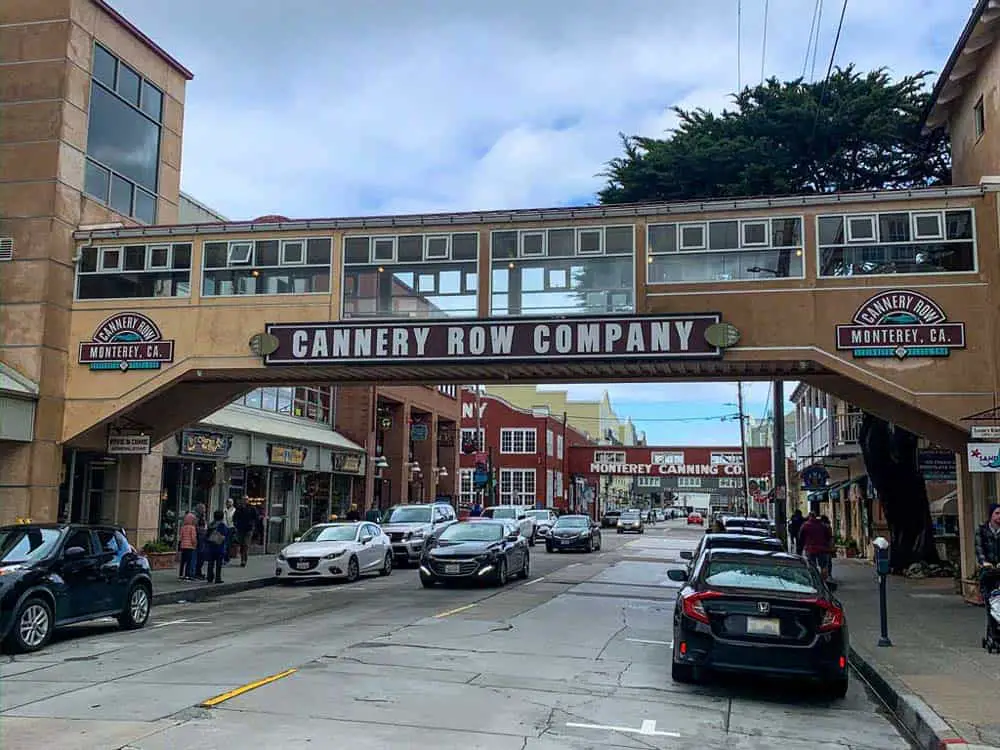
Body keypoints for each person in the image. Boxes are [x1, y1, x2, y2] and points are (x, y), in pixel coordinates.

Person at [975, 503, 1000, 602]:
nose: (999, 516)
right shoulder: (982, 530)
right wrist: (984, 561)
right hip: (988, 569)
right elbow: (979, 547)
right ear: (991, 515)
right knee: (990, 601)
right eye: (997, 513)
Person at [798, 511, 832, 580]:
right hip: (822, 549)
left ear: (809, 517)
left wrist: (801, 548)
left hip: (810, 549)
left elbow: (801, 537)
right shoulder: (822, 525)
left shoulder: (805, 525)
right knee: (823, 566)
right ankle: (824, 581)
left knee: (811, 566)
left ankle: (814, 580)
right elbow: (828, 536)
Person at [204, 510, 228, 584]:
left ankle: (209, 577)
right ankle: (218, 578)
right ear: (222, 517)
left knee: (210, 563)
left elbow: (206, 536)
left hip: (211, 547)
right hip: (219, 547)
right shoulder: (222, 525)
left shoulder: (211, 524)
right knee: (218, 564)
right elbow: (225, 536)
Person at [233, 497, 258, 567]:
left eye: (246, 500)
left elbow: (256, 517)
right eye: (243, 499)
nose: (244, 501)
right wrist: (236, 524)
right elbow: (235, 517)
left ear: (248, 500)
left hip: (249, 529)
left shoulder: (252, 508)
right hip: (240, 529)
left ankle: (244, 561)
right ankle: (242, 558)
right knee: (241, 544)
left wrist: (253, 525)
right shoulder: (239, 508)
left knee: (246, 544)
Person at [178, 512, 198, 581]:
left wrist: (180, 544)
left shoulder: (183, 527)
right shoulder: (192, 528)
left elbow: (180, 537)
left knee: (183, 561)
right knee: (189, 561)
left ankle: (180, 574)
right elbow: (193, 538)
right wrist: (195, 544)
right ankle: (187, 575)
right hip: (190, 546)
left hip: (183, 546)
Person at [193, 503, 208, 579]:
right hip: (199, 539)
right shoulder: (196, 517)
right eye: (203, 509)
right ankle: (196, 572)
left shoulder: (203, 517)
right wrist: (202, 530)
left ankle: (199, 572)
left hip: (202, 538)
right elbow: (196, 527)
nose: (204, 510)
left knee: (201, 557)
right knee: (199, 556)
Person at [223, 498, 236, 564]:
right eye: (228, 502)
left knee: (228, 544)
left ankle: (227, 558)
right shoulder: (224, 510)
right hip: (225, 527)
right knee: (224, 543)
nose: (229, 503)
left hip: (231, 528)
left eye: (230, 502)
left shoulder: (234, 510)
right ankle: (224, 557)